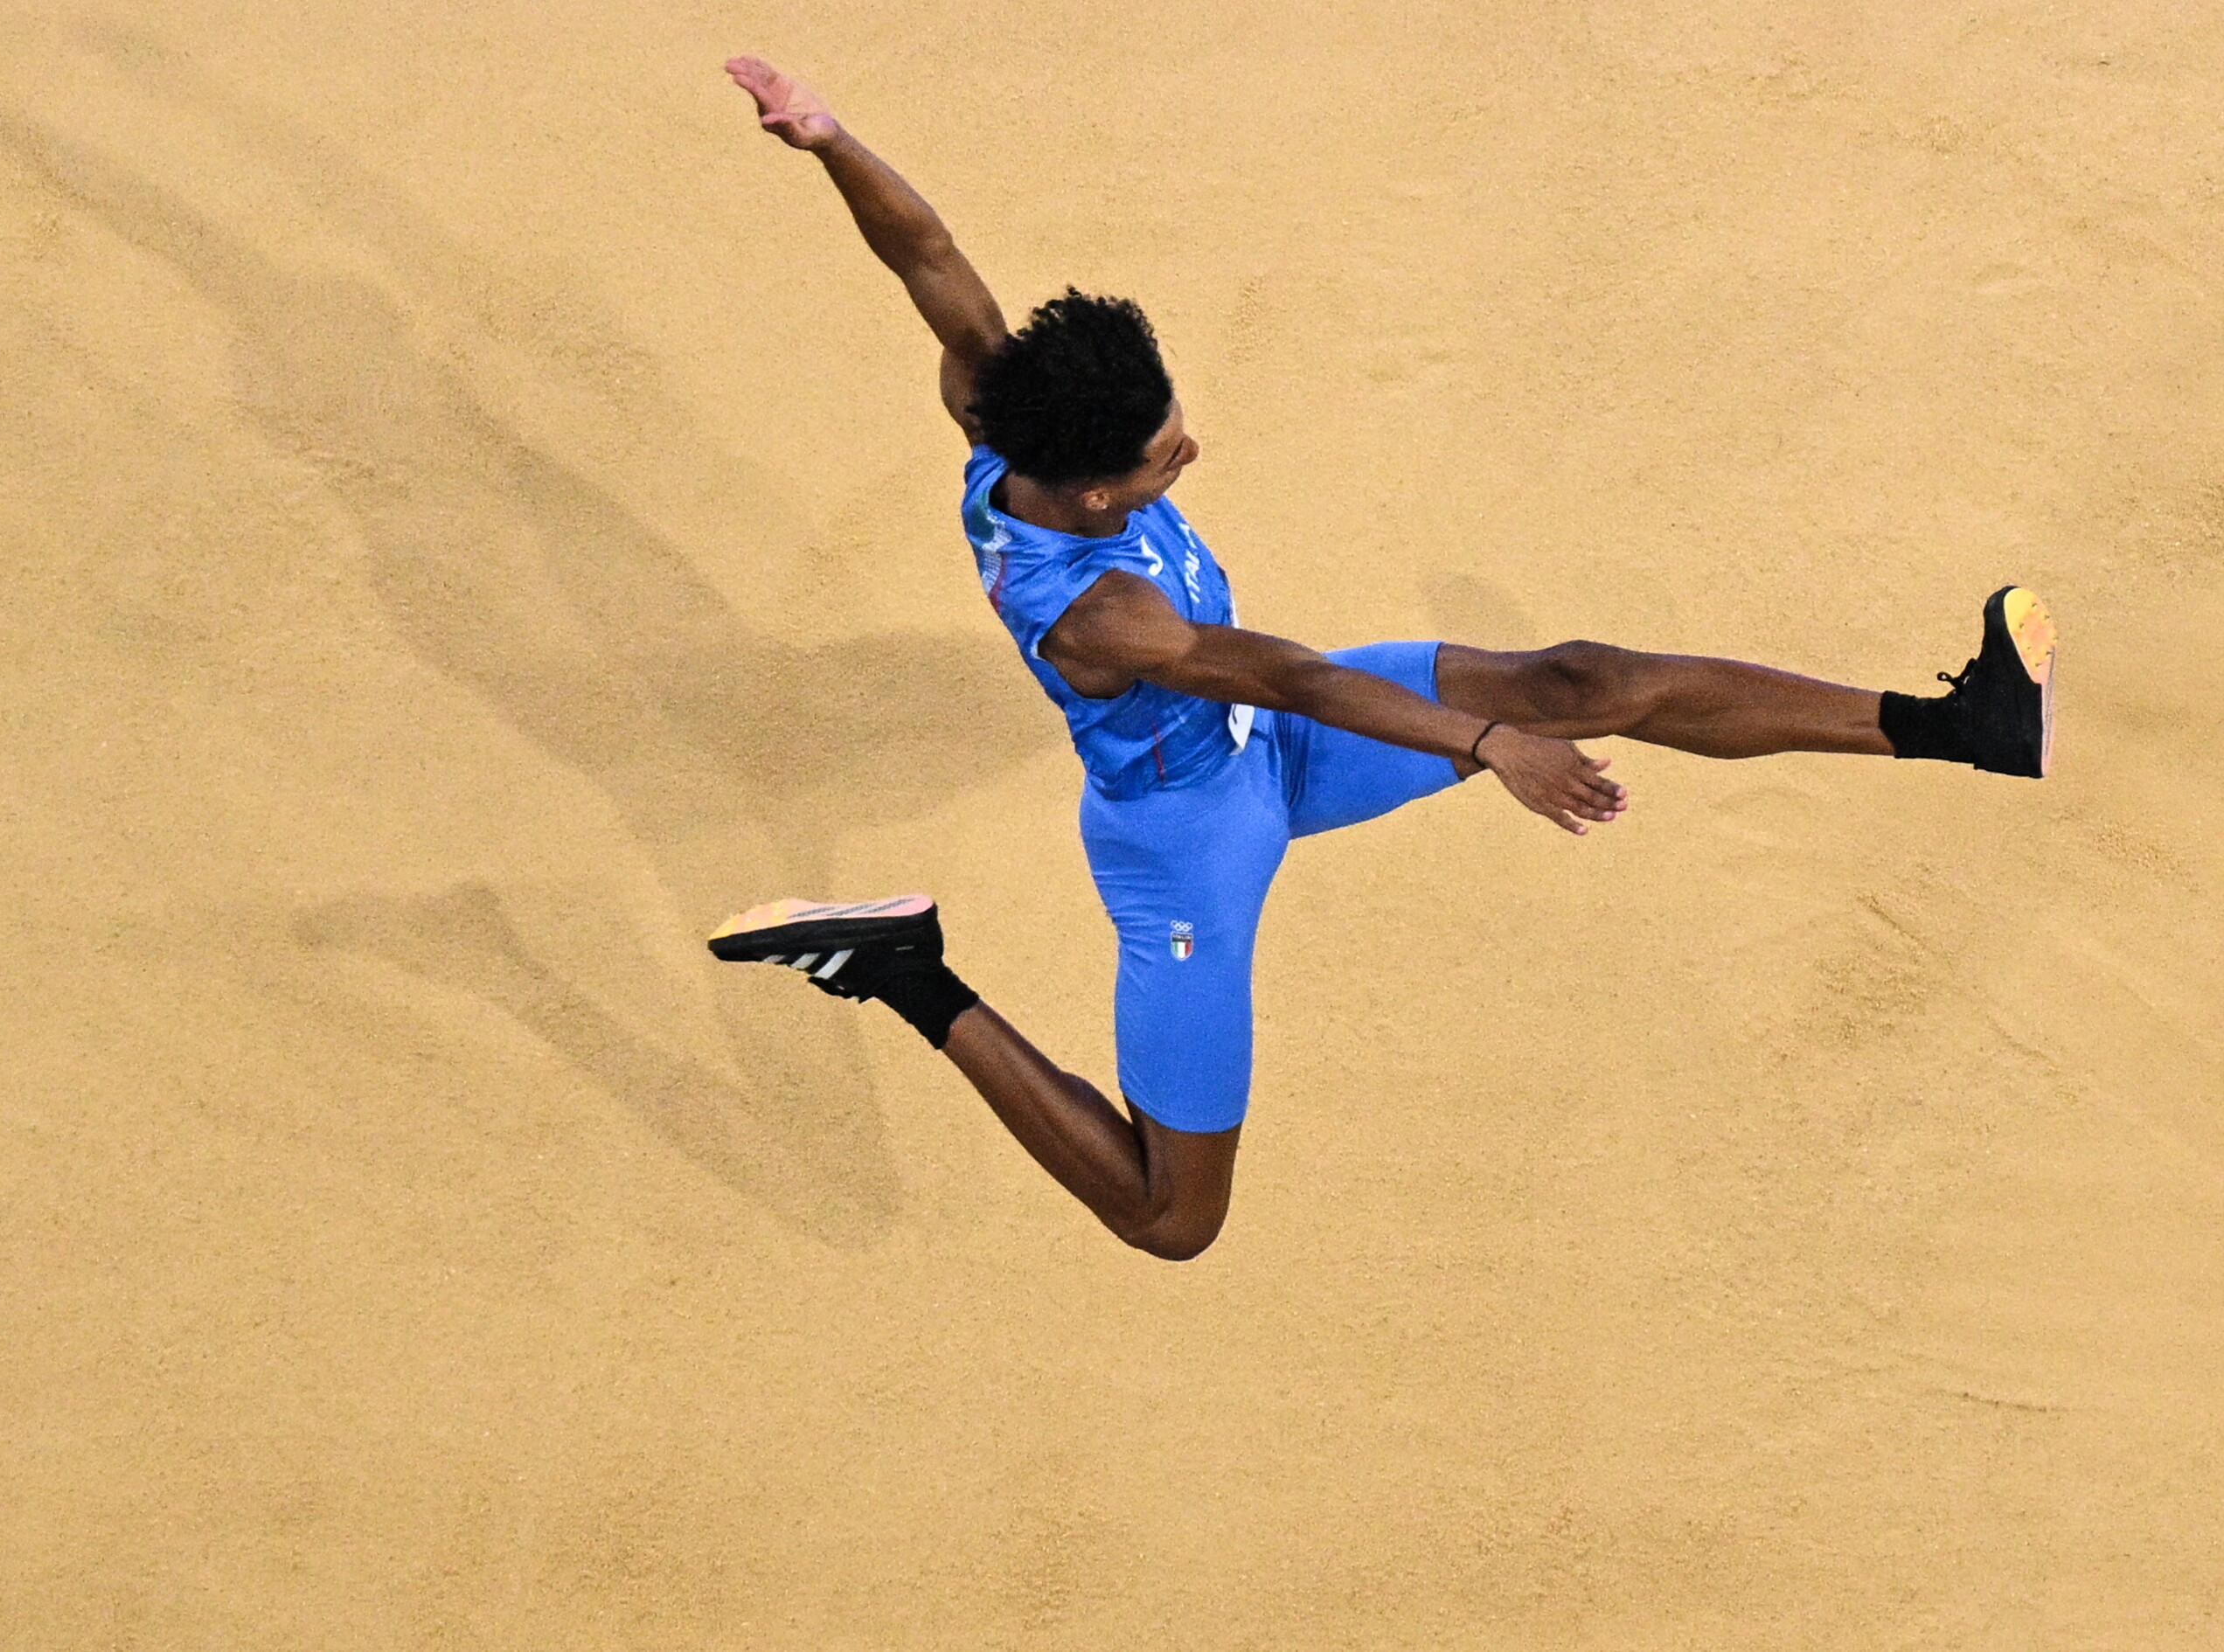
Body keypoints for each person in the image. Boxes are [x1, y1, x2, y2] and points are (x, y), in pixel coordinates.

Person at [705, 56, 2055, 1260]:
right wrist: (1487, 744)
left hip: (1274, 748)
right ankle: (906, 971)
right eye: (1168, 456)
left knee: (1577, 680)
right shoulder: (1101, 615)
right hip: (1190, 837)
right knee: (1174, 1217)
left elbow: (927, 253)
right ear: (1100, 493)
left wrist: (831, 142)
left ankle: (1964, 724)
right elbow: (1291, 675)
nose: (1191, 450)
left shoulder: (1011, 408)